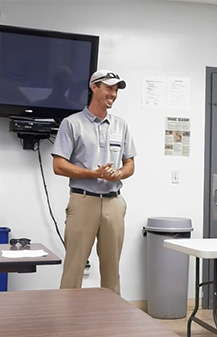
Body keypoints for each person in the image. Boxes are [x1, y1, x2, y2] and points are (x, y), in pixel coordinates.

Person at [51, 69, 136, 295]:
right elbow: (58, 165)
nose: (114, 94)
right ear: (94, 87)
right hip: (83, 201)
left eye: (116, 89)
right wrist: (93, 173)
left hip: (113, 203)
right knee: (74, 268)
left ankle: (111, 322)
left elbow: (130, 165)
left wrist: (119, 173)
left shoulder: (121, 125)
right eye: (109, 88)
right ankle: (67, 321)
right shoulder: (72, 124)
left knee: (112, 270)